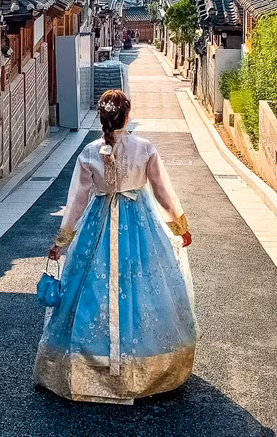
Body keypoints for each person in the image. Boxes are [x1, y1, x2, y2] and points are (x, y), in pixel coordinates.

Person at [34, 89, 196, 404]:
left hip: (98, 225)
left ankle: (85, 364)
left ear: (102, 116)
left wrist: (61, 242)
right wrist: (179, 226)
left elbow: (77, 203)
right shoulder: (145, 148)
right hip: (140, 225)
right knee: (144, 286)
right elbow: (162, 191)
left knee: (90, 287)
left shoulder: (89, 153)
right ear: (127, 115)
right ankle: (146, 362)